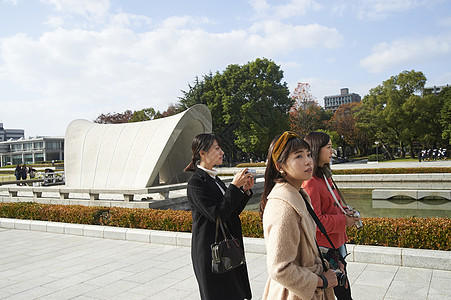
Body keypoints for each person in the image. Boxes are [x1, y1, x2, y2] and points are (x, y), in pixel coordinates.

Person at [260, 131, 337, 300]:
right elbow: (279, 269)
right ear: (280, 167)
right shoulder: (283, 205)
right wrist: (321, 281)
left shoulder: (299, 194)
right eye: (299, 156)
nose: (309, 161)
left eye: (309, 154)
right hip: (292, 294)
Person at [185, 133, 254, 300]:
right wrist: (234, 187)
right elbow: (217, 215)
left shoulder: (213, 179)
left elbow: (230, 212)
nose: (222, 152)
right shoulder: (196, 183)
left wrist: (243, 191)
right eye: (217, 148)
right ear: (202, 153)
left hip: (226, 246)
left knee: (234, 292)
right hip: (211, 251)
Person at [302, 132, 361, 300]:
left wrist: (345, 211)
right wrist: (345, 220)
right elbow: (316, 220)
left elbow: (333, 203)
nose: (332, 151)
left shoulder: (324, 175)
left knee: (343, 289)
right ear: (316, 150)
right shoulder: (311, 181)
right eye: (328, 147)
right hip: (325, 249)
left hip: (336, 243)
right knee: (342, 293)